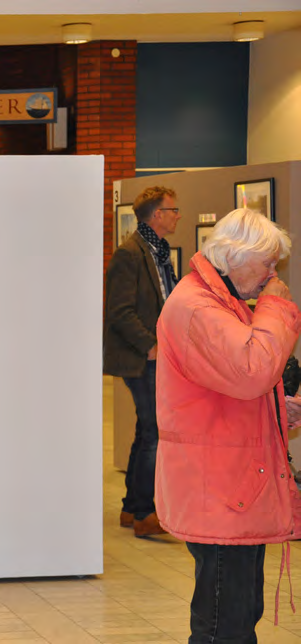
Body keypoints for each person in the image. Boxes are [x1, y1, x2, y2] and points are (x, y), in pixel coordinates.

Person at [155, 208, 301, 643]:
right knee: (225, 623)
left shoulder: (216, 300)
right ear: (235, 257)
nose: (272, 273)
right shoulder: (198, 307)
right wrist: (275, 306)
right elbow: (253, 370)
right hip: (220, 490)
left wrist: (279, 406)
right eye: (268, 263)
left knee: (237, 613)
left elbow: (229, 383)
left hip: (232, 487)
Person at [102, 186, 180, 537]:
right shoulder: (129, 253)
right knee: (154, 433)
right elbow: (118, 311)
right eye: (173, 210)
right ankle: (146, 514)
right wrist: (150, 345)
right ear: (157, 215)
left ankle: (132, 508)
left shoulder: (158, 251)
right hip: (142, 357)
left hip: (156, 356)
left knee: (145, 431)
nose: (178, 215)